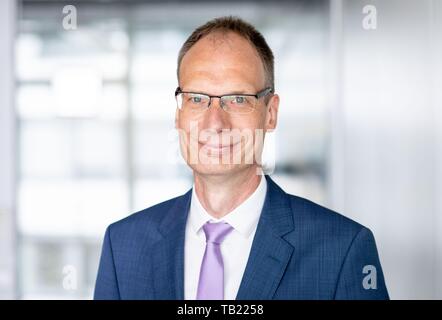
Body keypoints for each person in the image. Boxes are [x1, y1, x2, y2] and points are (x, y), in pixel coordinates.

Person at [94, 16, 389, 300]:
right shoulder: (124, 247)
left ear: (270, 113)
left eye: (237, 99)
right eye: (197, 99)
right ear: (178, 113)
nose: (215, 123)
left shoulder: (341, 250)